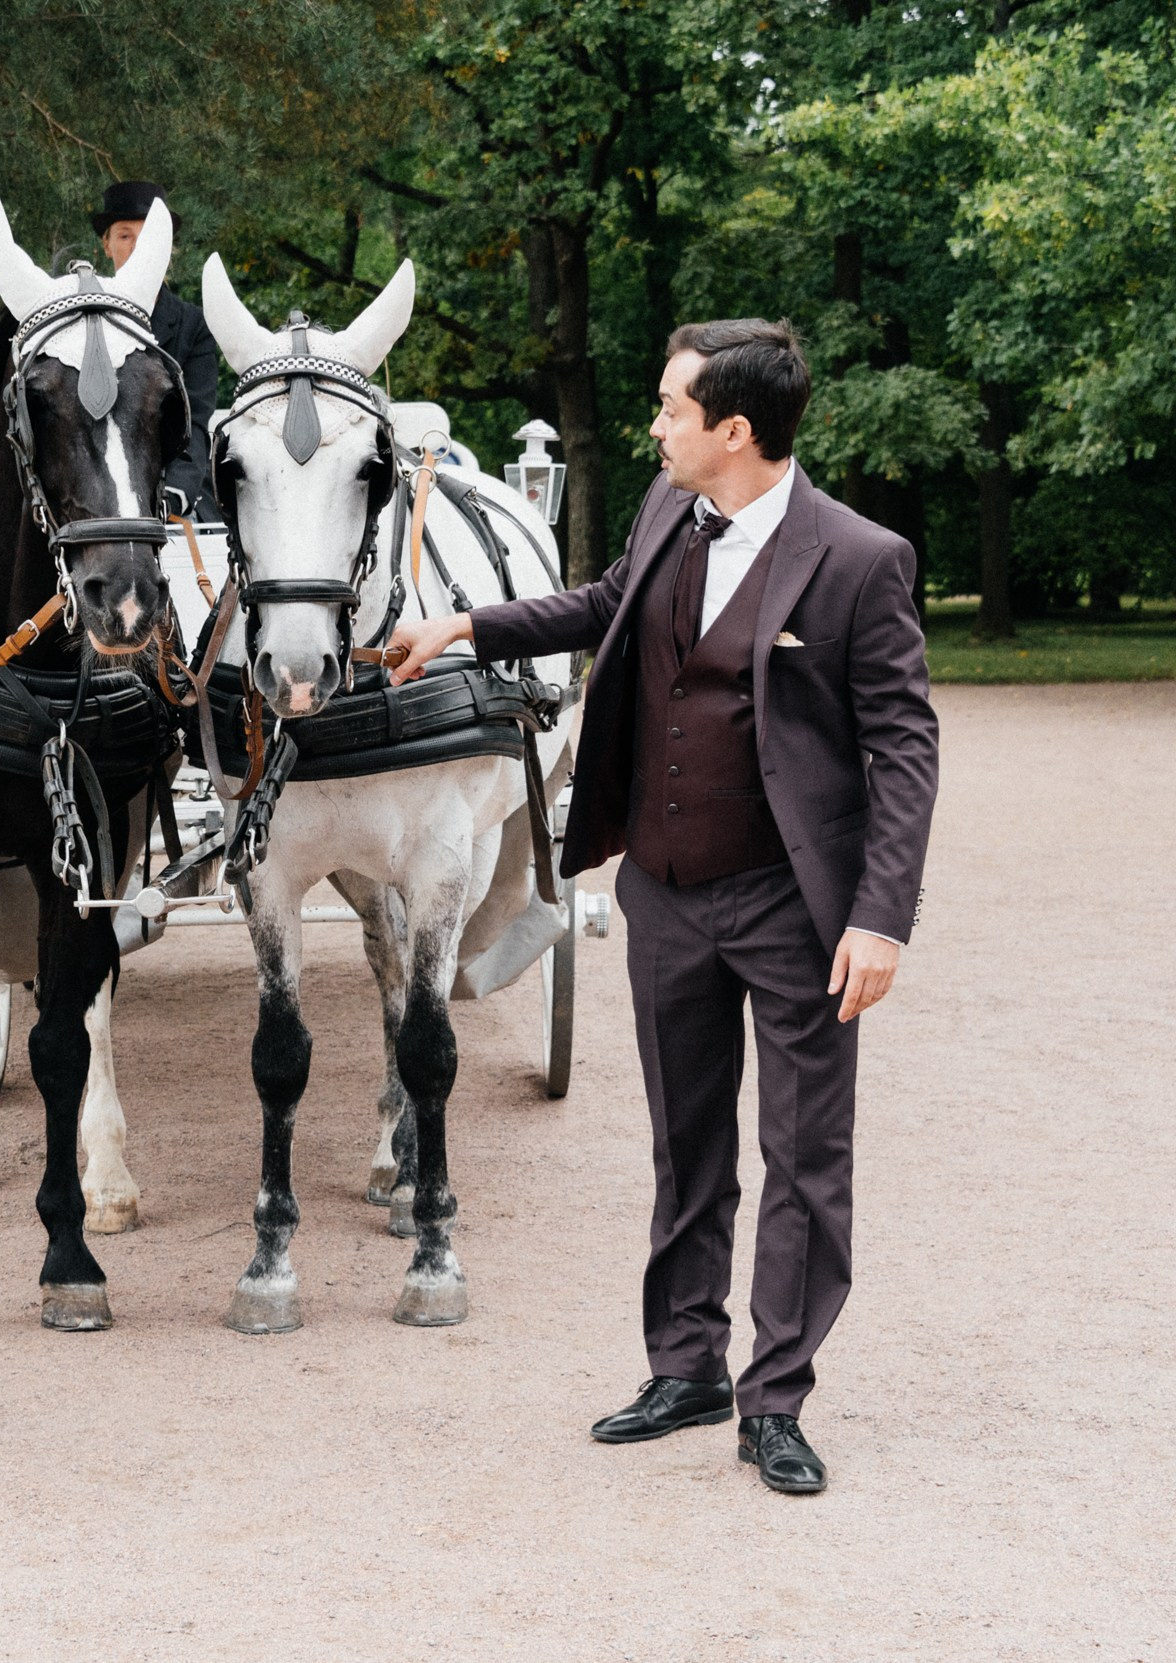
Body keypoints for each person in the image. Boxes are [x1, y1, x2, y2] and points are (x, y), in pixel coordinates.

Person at [388, 320, 939, 1495]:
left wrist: (880, 918)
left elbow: (904, 745)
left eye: (670, 408)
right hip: (668, 894)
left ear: (734, 429)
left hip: (800, 911)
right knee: (686, 1146)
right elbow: (602, 603)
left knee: (803, 1161)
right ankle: (685, 1365)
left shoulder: (858, 558)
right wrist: (466, 626)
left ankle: (774, 1398)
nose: (654, 425)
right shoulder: (661, 507)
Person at [93, 180, 221, 518]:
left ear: (167, 247)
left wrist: (173, 495)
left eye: (149, 237)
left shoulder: (194, 326)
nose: (137, 248)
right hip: (95, 487)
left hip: (175, 490)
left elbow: (193, 422)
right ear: (107, 246)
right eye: (124, 236)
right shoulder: (84, 322)